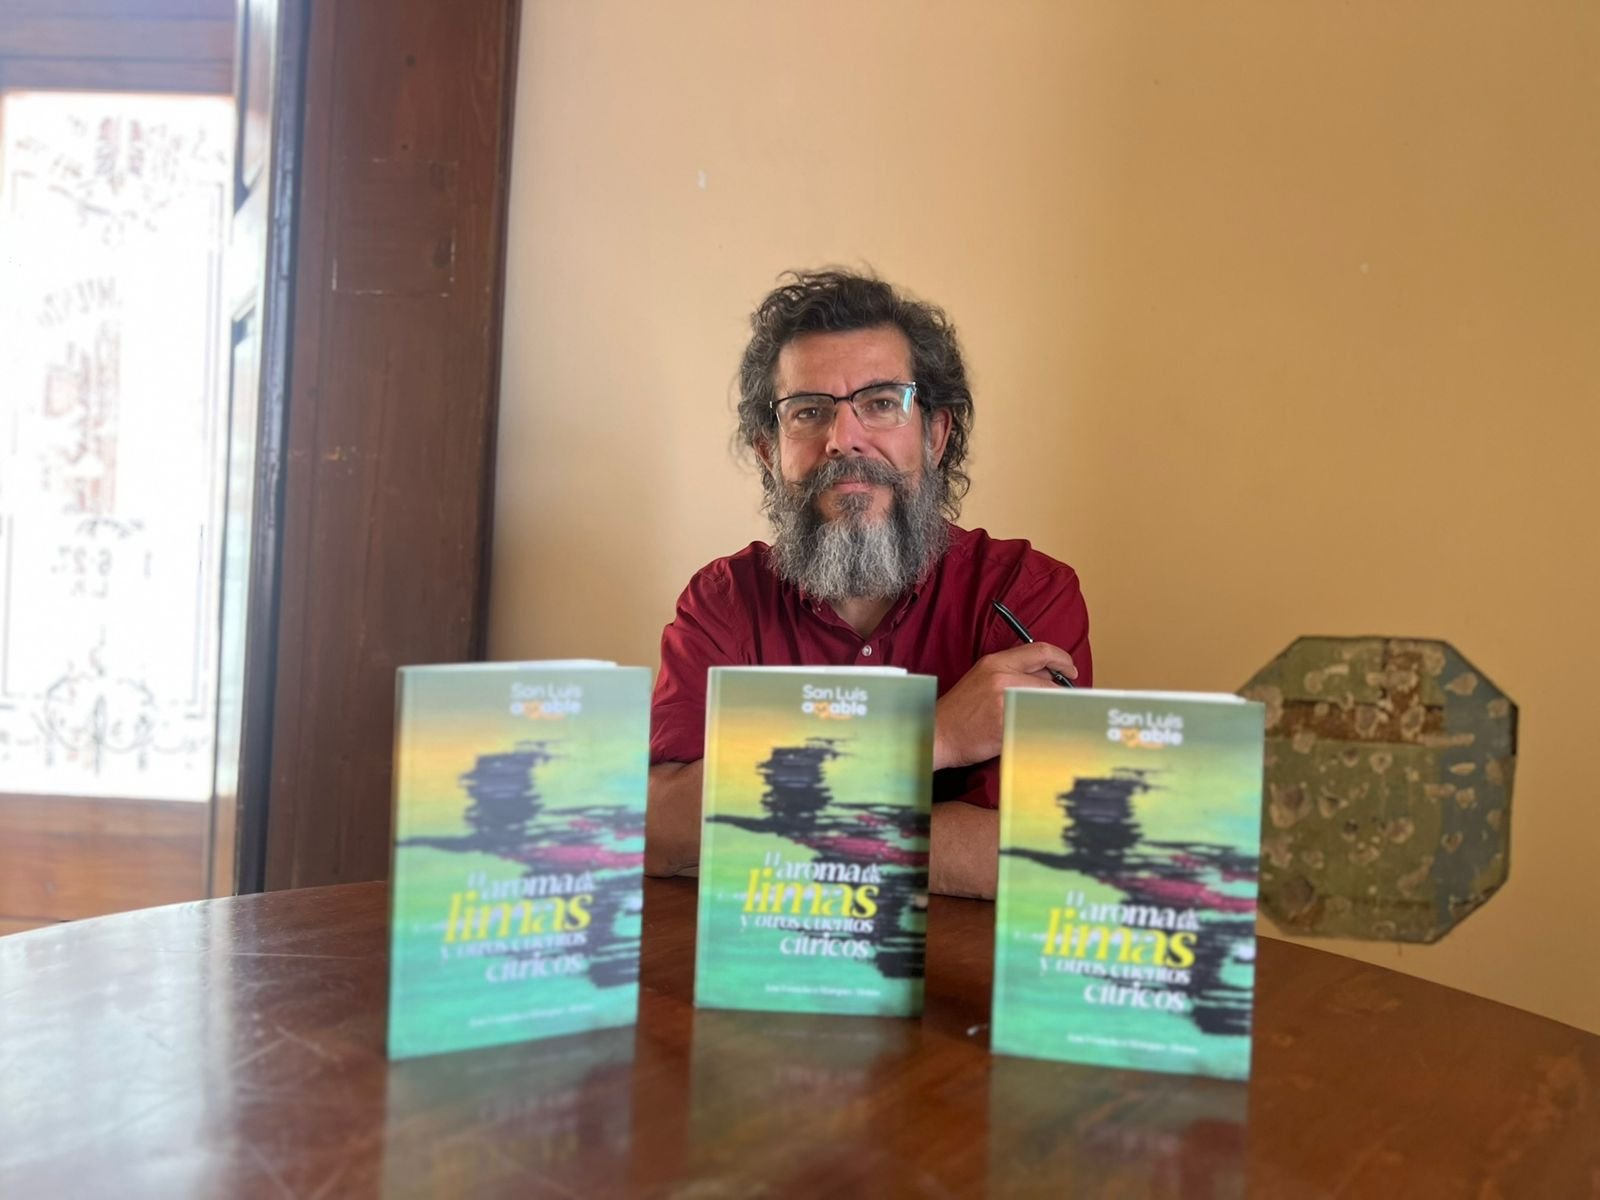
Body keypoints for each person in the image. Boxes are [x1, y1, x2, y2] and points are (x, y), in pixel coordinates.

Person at [645, 269, 1091, 898]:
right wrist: (931, 737)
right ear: (770, 453)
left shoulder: (1026, 594)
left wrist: (764, 817)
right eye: (808, 412)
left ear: (935, 435)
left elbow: (1045, 854)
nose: (842, 440)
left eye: (881, 403)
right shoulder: (723, 603)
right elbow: (658, 830)